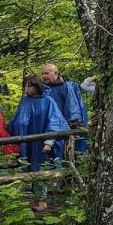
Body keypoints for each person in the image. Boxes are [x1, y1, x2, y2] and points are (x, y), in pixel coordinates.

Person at [8, 74, 69, 212]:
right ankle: (35, 199)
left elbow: (54, 121)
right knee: (29, 169)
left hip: (42, 144)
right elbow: (17, 121)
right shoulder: (25, 101)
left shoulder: (48, 101)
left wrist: (49, 142)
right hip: (27, 144)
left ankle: (41, 200)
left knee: (41, 169)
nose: (26, 89)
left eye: (29, 86)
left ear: (37, 86)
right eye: (25, 86)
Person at [41, 64, 89, 154]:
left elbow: (72, 109)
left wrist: (74, 125)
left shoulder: (67, 86)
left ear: (56, 73)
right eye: (42, 74)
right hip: (49, 126)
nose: (43, 76)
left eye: (46, 73)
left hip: (64, 126)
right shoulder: (43, 89)